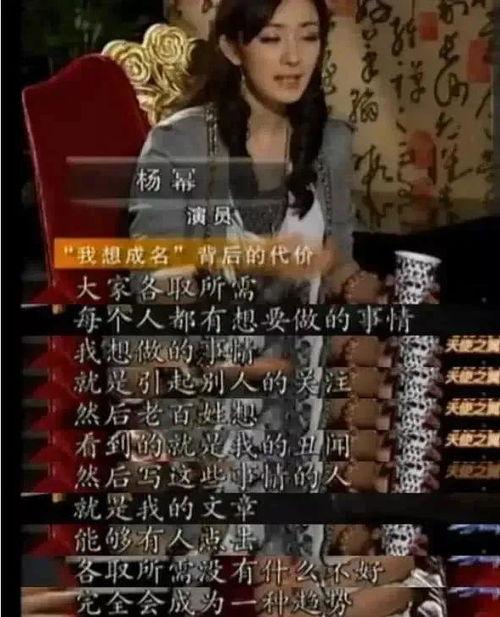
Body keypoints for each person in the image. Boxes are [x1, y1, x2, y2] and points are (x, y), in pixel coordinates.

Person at [127, 0, 445, 615]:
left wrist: (378, 293)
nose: (294, 57)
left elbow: (338, 266)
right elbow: (156, 284)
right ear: (232, 47)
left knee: (411, 576)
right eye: (272, 38)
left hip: (306, 382)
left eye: (309, 37)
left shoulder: (330, 141)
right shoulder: (180, 142)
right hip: (213, 377)